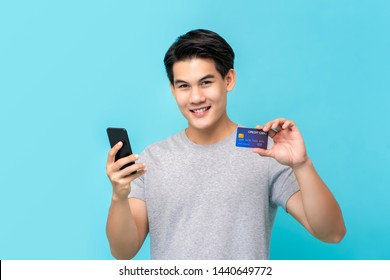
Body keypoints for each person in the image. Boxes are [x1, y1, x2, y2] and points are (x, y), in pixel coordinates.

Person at [105, 29, 346, 260]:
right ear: (173, 89)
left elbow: (332, 233)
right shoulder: (154, 158)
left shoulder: (263, 149)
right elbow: (123, 251)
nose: (196, 97)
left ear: (228, 80)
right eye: (184, 86)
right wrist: (119, 196)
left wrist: (302, 165)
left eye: (206, 82)